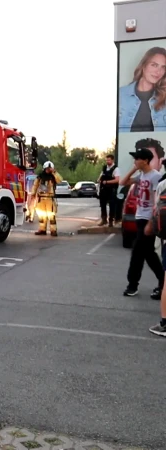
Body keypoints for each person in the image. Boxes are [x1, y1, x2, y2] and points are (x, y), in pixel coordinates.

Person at [121, 147, 165, 298]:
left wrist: (151, 223)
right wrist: (134, 168)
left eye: (137, 159)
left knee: (138, 252)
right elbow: (123, 182)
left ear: (145, 160)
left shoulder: (155, 176)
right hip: (139, 218)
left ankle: (133, 285)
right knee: (148, 253)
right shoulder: (141, 176)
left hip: (148, 219)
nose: (135, 161)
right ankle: (162, 282)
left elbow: (156, 202)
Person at [118, 46, 166, 133]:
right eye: (154, 65)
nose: (158, 71)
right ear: (144, 66)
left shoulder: (164, 98)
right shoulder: (120, 94)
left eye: (163, 67)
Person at [31, 161, 62, 236]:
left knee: (51, 215)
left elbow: (60, 180)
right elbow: (35, 185)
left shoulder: (53, 177)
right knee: (41, 215)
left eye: (49, 169)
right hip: (41, 199)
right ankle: (42, 229)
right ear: (44, 169)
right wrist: (33, 194)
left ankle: (53, 230)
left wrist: (54, 172)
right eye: (47, 169)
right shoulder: (40, 177)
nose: (48, 170)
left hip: (49, 198)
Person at [96, 155, 120, 227]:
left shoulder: (116, 169)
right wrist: (99, 180)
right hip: (103, 189)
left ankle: (111, 221)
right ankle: (104, 220)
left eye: (109, 160)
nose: (107, 162)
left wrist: (106, 182)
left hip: (111, 189)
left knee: (112, 206)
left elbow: (117, 180)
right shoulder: (104, 168)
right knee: (103, 205)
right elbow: (101, 176)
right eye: (106, 160)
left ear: (112, 160)